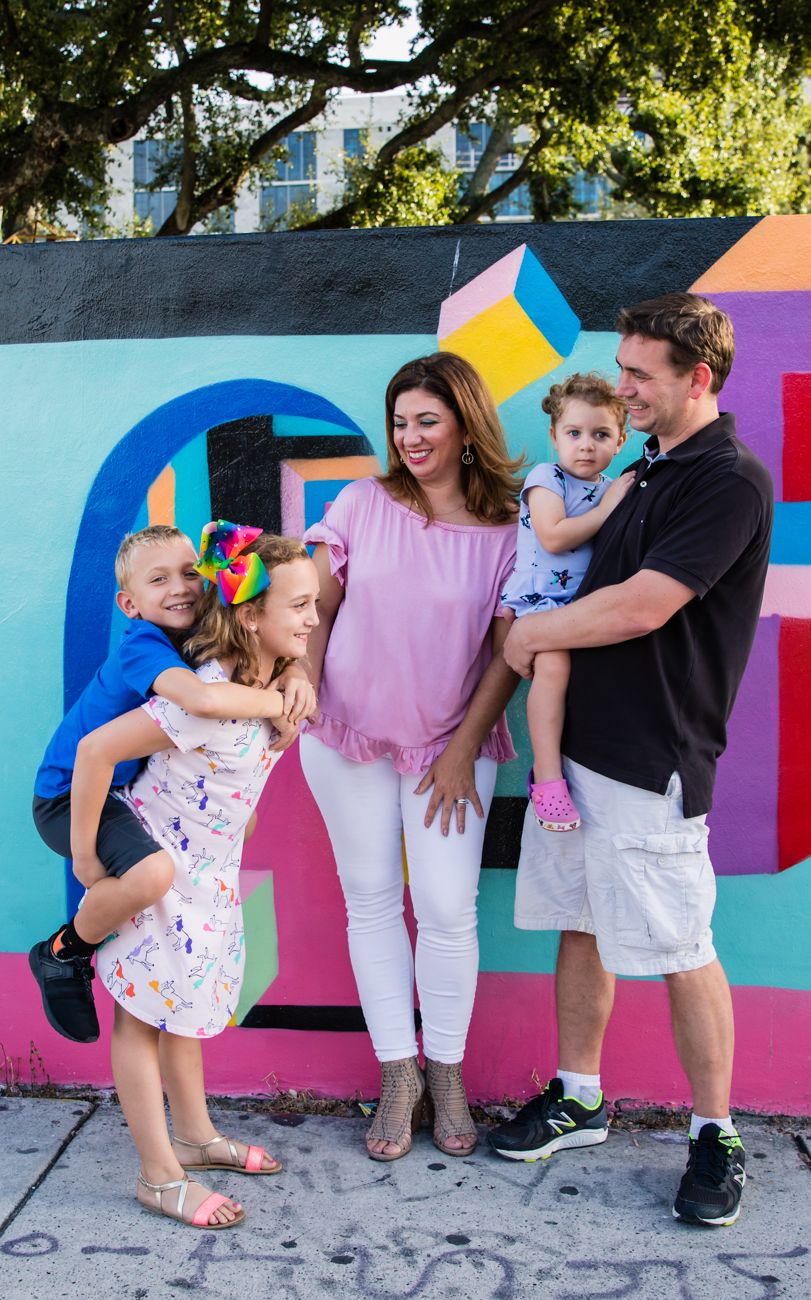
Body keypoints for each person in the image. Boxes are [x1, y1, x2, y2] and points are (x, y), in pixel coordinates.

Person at [496, 293, 774, 1228]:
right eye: (620, 370)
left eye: (640, 373)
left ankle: (716, 1131)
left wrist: (528, 636)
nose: (623, 388)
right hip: (574, 749)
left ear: (699, 377)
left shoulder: (726, 478)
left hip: (653, 756)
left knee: (680, 946)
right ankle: (579, 1096)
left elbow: (642, 605)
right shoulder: (647, 467)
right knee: (582, 923)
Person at [298, 351, 523, 1161]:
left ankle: (449, 1070)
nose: (411, 436)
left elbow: (507, 655)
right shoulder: (360, 502)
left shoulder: (507, 531)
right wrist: (304, 681)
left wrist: (464, 750)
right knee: (369, 899)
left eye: (427, 419)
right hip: (346, 736)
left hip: (451, 749)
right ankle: (401, 1072)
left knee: (446, 906)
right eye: (400, 422)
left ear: (466, 425)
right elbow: (314, 605)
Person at [77, 524, 320, 1229]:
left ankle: (195, 1135)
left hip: (208, 874)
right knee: (143, 1016)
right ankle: (159, 1174)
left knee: (183, 1008)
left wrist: (295, 679)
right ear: (251, 615)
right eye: (300, 605)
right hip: (156, 866)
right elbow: (99, 750)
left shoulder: (273, 682)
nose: (312, 618)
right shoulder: (202, 696)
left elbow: (243, 784)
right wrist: (90, 860)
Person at [27, 523, 316, 1045]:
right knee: (151, 875)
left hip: (118, 788)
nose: (180, 587)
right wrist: (283, 703)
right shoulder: (145, 643)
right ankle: (63, 952)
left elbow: (271, 633)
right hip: (70, 793)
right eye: (158, 579)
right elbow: (203, 702)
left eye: (189, 573)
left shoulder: (204, 632)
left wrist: (297, 674)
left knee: (236, 831)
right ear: (129, 604)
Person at [501, 374, 633, 832]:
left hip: (581, 605)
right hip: (542, 599)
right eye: (573, 433)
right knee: (554, 666)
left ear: (620, 440)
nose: (585, 445)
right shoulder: (546, 477)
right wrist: (609, 507)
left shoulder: (612, 487)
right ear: (554, 436)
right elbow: (554, 537)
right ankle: (548, 779)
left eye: (600, 435)